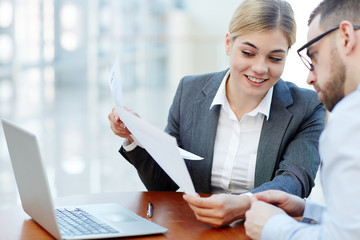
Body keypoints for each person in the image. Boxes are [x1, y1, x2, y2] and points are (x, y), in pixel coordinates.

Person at [108, 0, 325, 227]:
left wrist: (244, 203)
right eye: (248, 53)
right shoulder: (189, 92)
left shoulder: (307, 107)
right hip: (199, 228)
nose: (260, 68)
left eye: (275, 58)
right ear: (228, 44)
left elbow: (294, 181)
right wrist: (137, 136)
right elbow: (163, 184)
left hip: (261, 229)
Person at [244, 0, 360, 239]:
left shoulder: (350, 115)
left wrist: (271, 227)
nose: (310, 77)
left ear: (346, 37)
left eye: (314, 56)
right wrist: (309, 210)